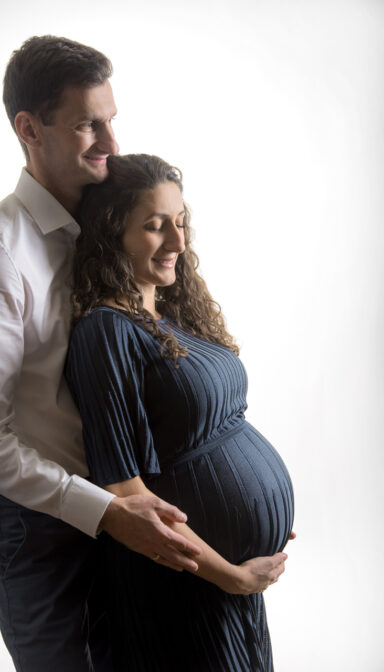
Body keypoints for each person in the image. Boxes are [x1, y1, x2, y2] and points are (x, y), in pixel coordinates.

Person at [0, 36, 205, 672]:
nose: (110, 143)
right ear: (28, 129)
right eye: (89, 124)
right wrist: (106, 512)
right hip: (34, 527)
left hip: (117, 508)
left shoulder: (112, 218)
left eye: (111, 119)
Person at [66, 153, 295, 672]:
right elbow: (127, 495)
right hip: (180, 586)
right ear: (110, 233)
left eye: (181, 222)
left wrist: (262, 520)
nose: (177, 242)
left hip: (221, 582)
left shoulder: (169, 316)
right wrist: (231, 574)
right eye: (154, 227)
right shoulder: (107, 332)